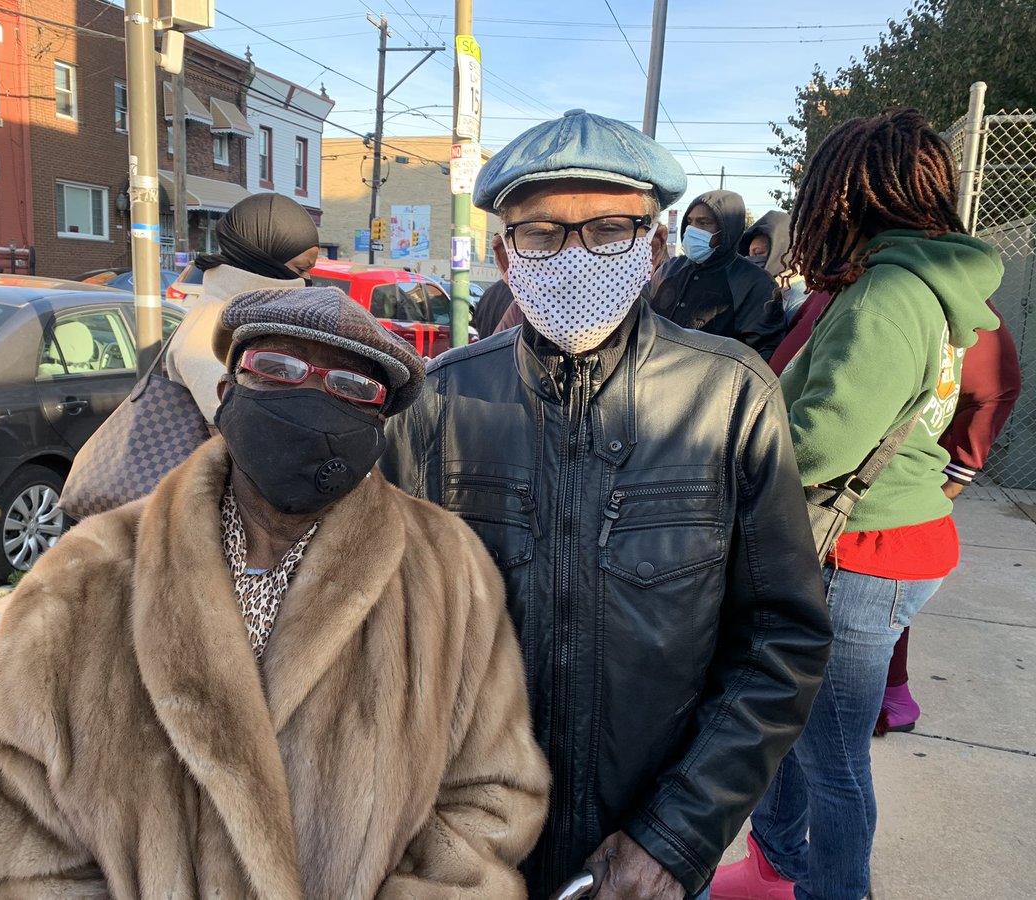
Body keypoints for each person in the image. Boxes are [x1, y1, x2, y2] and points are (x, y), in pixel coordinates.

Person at [0, 287, 550, 899]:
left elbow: (491, 793)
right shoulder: (81, 582)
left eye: (354, 387)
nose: (312, 397)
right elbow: (11, 840)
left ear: (378, 426)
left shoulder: (448, 572)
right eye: (278, 368)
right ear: (227, 395)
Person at [380, 108, 832, 900]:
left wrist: (675, 838)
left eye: (609, 232)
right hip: (463, 859)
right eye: (543, 235)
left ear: (653, 248)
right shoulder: (442, 403)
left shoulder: (728, 397)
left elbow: (777, 641)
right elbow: (380, 635)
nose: (576, 258)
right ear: (504, 256)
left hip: (643, 860)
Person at [712, 109, 1004, 900]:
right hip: (900, 544)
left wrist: (716, 451)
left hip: (861, 559)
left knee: (831, 763)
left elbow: (820, 440)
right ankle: (779, 864)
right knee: (799, 738)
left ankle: (831, 889)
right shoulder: (933, 284)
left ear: (850, 196)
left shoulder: (888, 295)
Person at [879, 305, 1020, 732]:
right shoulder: (850, 284)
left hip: (888, 491)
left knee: (875, 596)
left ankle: (890, 694)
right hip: (870, 491)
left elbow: (997, 385)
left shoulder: (934, 297)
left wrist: (959, 472)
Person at [166, 193, 320, 422]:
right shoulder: (207, 327)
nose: (307, 279)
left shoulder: (267, 316)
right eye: (300, 269)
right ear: (261, 258)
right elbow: (240, 424)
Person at [643, 189, 785, 359]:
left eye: (704, 223)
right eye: (690, 221)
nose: (692, 230)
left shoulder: (756, 283)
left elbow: (763, 352)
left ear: (727, 229)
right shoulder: (670, 269)